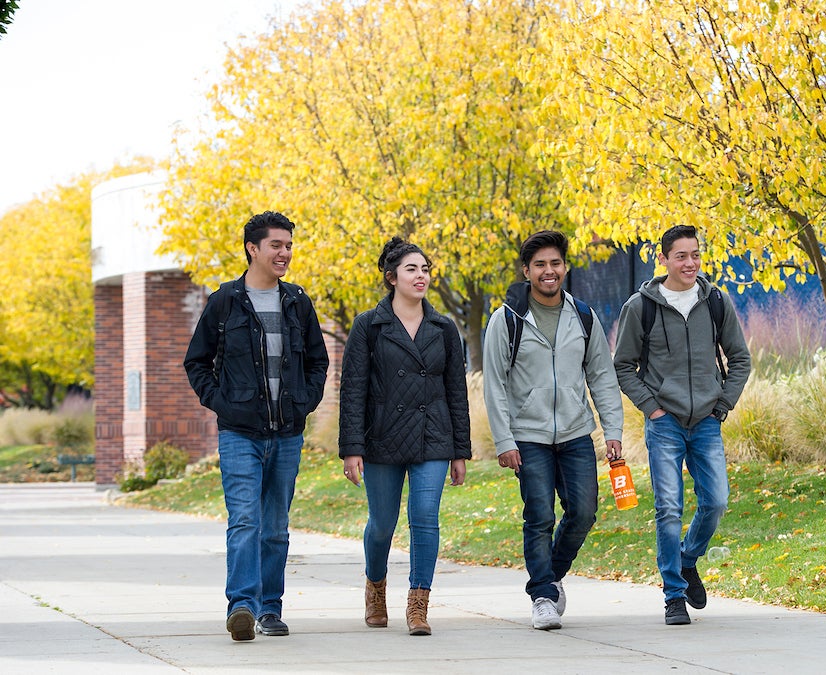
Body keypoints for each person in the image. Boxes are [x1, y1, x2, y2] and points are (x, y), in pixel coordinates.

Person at [184, 211, 330, 641]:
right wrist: (221, 403)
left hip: (287, 432)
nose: (285, 253)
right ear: (253, 248)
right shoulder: (224, 301)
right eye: (276, 245)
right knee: (245, 519)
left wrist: (304, 402)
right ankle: (242, 606)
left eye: (288, 245)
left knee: (276, 526)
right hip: (239, 433)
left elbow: (319, 362)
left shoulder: (297, 302)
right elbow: (197, 361)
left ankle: (270, 609)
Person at [482, 230, 624, 630]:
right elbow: (494, 385)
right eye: (540, 265)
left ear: (565, 267)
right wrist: (504, 440)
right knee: (540, 515)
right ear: (527, 271)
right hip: (529, 436)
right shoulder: (506, 320)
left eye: (555, 263)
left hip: (577, 433)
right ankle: (542, 595)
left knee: (583, 512)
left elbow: (602, 376)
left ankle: (551, 576)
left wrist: (612, 430)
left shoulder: (583, 316)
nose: (549, 271)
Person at [612, 225, 751, 626]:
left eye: (695, 255)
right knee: (669, 508)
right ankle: (673, 595)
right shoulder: (642, 307)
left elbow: (739, 358)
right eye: (681, 256)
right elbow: (624, 365)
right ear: (664, 259)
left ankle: (687, 560)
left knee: (717, 501)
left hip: (707, 420)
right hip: (665, 423)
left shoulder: (715, 302)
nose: (690, 263)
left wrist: (722, 405)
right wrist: (652, 408)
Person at [338, 237, 470, 636]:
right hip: (382, 437)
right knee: (382, 523)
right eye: (412, 269)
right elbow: (353, 388)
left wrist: (460, 450)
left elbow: (456, 391)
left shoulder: (444, 327)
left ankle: (418, 605)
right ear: (392, 277)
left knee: (425, 519)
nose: (421, 276)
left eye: (426, 269)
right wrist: (351, 448)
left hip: (433, 435)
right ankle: (375, 589)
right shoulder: (369, 325)